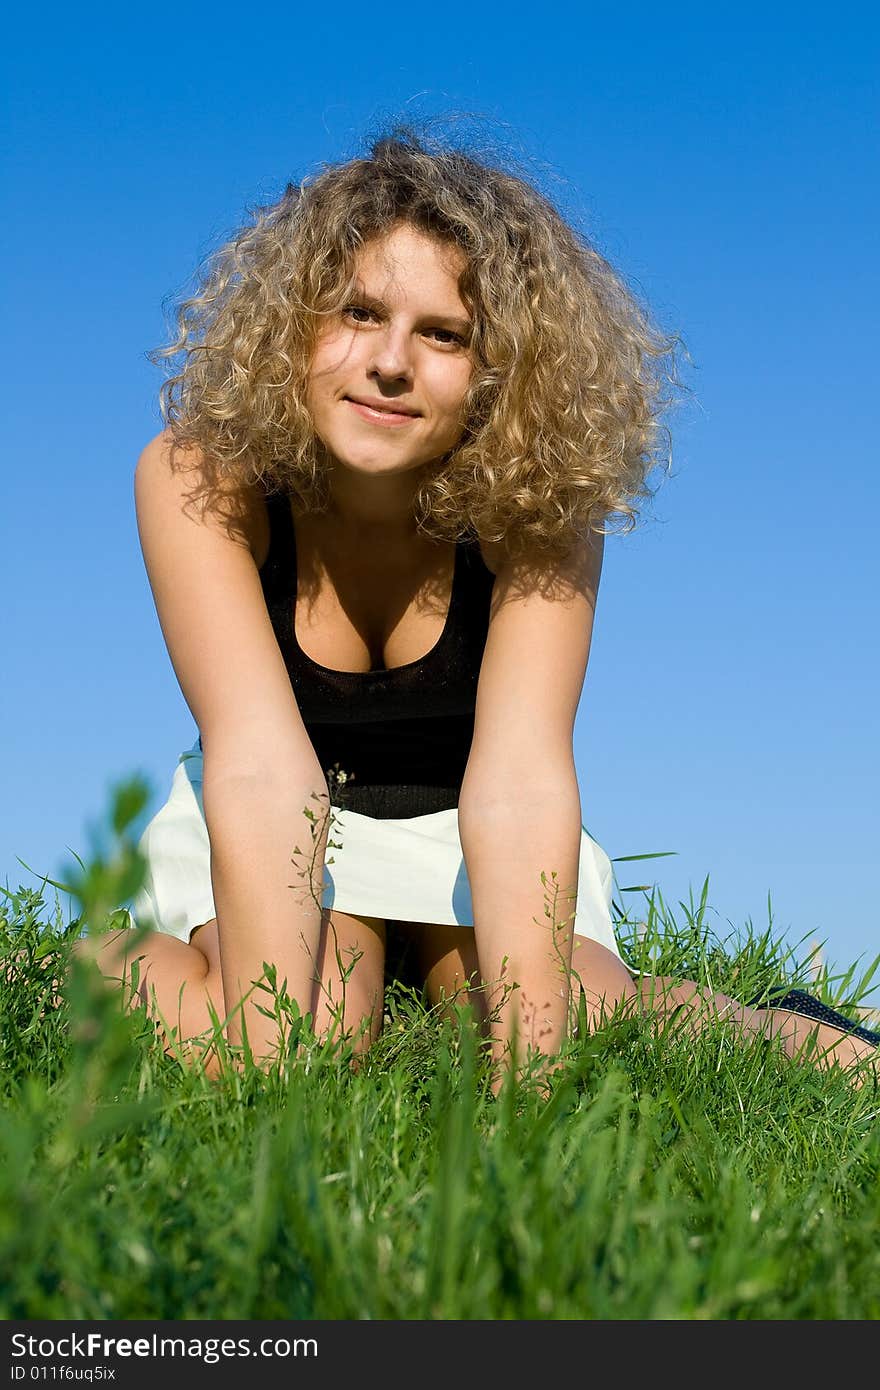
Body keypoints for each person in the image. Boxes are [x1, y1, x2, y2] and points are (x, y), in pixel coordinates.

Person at [78, 129, 878, 1085]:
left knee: (571, 1017)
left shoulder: (540, 510)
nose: (389, 363)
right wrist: (266, 1034)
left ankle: (798, 1032)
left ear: (499, 368)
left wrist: (530, 1068)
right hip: (274, 805)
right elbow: (255, 761)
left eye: (443, 334)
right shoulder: (198, 478)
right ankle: (69, 973)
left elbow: (523, 778)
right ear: (291, 325)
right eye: (357, 313)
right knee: (300, 1033)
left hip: (469, 822)